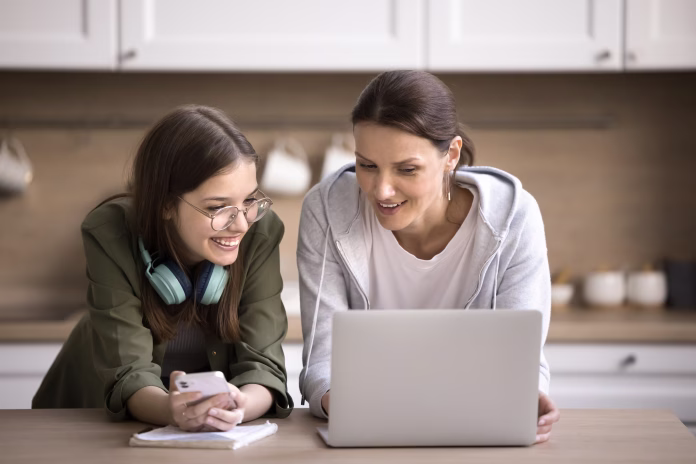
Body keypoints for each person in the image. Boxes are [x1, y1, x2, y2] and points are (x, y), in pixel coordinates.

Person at [297, 71, 560, 443]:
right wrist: (336, 399)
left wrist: (525, 397)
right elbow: (321, 360)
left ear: (450, 155)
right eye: (366, 165)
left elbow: (522, 358)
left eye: (407, 169)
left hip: (476, 434)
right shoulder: (326, 210)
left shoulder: (513, 216)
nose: (382, 190)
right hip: (367, 437)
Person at [33, 105, 293, 431]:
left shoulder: (261, 231)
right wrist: (174, 412)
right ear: (166, 204)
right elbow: (129, 373)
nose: (240, 223)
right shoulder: (110, 231)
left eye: (249, 201)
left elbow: (264, 365)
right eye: (218, 207)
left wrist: (242, 405)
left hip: (201, 429)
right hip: (88, 424)